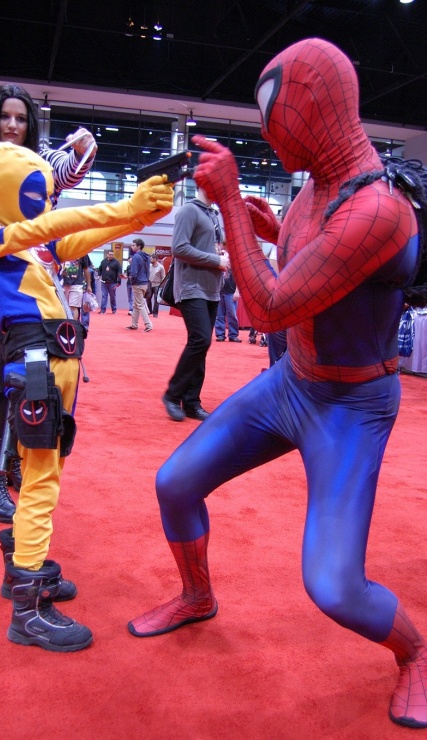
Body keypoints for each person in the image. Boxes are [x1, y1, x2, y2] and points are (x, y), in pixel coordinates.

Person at [128, 38, 427, 729]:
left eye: (276, 114)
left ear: (316, 109)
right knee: (174, 482)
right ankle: (197, 595)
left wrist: (230, 202)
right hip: (292, 384)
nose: (267, 131)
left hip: (350, 406)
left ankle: (414, 653)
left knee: (333, 586)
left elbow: (262, 309)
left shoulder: (377, 208)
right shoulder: (317, 189)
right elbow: (293, 276)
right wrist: (264, 225)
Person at [0, 141, 173, 651]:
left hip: (52, 365)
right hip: (37, 364)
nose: (46, 200)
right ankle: (28, 610)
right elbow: (47, 228)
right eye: (39, 189)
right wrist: (126, 205)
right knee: (40, 482)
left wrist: (138, 216)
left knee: (43, 472)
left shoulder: (28, 245)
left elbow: (80, 235)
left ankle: (22, 575)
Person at [0, 83, 97, 524]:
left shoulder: (38, 159)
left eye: (21, 118)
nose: (13, 125)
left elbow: (69, 172)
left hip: (32, 290)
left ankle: (13, 462)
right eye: (5, 117)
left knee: (28, 382)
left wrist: (86, 145)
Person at [161, 187, 229, 422]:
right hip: (191, 287)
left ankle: (191, 402)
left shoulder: (213, 213)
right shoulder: (189, 210)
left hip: (211, 288)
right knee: (201, 339)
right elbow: (179, 248)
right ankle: (172, 394)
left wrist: (221, 258)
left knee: (200, 344)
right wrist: (215, 259)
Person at [126, 237, 153, 332]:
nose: (132, 246)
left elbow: (134, 272)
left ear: (139, 246)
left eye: (133, 245)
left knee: (140, 304)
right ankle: (134, 324)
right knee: (136, 304)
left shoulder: (136, 257)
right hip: (145, 282)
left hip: (137, 283)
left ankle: (148, 325)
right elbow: (148, 271)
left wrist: (132, 280)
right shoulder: (147, 257)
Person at [214, 257, 241, 342]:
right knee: (219, 315)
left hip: (231, 292)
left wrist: (237, 291)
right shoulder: (219, 263)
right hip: (219, 291)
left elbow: (239, 279)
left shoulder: (235, 264)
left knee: (232, 315)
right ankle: (220, 334)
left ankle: (233, 334)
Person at [61, 255, 92, 320]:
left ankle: (73, 326)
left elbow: (86, 269)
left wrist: (89, 285)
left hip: (77, 284)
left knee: (73, 307)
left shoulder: (83, 252)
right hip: (63, 283)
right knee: (63, 307)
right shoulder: (62, 248)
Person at [98, 249, 122, 314]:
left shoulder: (116, 263)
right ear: (107, 255)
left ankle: (114, 310)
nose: (111, 256)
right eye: (110, 254)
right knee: (104, 296)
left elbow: (120, 272)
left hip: (112, 283)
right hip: (104, 282)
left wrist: (119, 282)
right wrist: (99, 275)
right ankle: (103, 310)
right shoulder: (103, 262)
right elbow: (99, 269)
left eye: (112, 255)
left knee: (112, 297)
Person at [147, 253, 165, 317]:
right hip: (149, 284)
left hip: (157, 285)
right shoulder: (149, 266)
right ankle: (149, 311)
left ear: (155, 259)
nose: (150, 260)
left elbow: (163, 277)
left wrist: (161, 286)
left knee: (156, 299)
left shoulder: (161, 267)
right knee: (148, 298)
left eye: (151, 259)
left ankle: (155, 313)